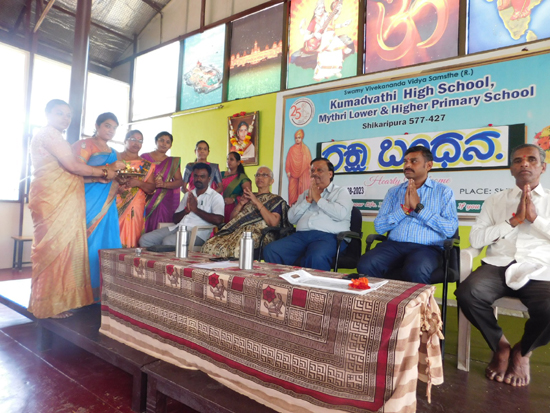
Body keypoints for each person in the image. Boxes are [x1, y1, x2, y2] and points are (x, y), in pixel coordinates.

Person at [456, 144, 550, 387]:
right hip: (498, 265)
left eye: (531, 159)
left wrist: (535, 219)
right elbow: (477, 239)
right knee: (467, 293)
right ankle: (500, 347)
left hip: (540, 269)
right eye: (518, 160)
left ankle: (522, 351)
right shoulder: (495, 200)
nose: (524, 163)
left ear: (543, 167)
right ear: (511, 169)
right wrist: (513, 221)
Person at [29, 100, 123, 318]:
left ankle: (55, 301)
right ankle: (49, 304)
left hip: (56, 196)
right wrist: (105, 172)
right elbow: (73, 167)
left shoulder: (52, 136)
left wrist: (101, 176)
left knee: (60, 249)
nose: (65, 118)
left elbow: (70, 170)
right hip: (53, 197)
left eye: (68, 115)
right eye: (59, 113)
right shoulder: (51, 135)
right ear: (47, 114)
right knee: (55, 248)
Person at [356, 146, 458, 283]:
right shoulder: (394, 192)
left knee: (416, 269)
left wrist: (419, 209)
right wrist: (404, 210)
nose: (407, 165)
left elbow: (450, 229)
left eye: (414, 161)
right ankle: (381, 297)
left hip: (428, 248)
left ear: (428, 165)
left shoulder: (443, 192)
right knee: (366, 263)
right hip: (394, 246)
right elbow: (379, 227)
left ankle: (415, 299)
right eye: (405, 162)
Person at [263, 157, 352, 271]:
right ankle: (284, 281)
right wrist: (308, 200)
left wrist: (318, 199)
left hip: (330, 237)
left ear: (330, 174)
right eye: (313, 170)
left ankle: (315, 284)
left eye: (319, 170)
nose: (315, 173)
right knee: (272, 250)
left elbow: (341, 214)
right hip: (301, 236)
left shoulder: (341, 192)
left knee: (316, 256)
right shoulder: (305, 194)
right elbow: (291, 218)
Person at [72, 112, 124, 302]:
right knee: (87, 242)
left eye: (114, 128)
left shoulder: (113, 151)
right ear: (97, 125)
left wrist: (120, 180)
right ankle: (80, 292)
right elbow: (73, 173)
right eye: (107, 126)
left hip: (108, 204)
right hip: (87, 199)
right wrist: (103, 174)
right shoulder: (84, 145)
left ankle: (104, 292)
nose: (111, 130)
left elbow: (113, 177)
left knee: (107, 242)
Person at [202, 166, 290, 258]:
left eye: (264, 175)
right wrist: (241, 203)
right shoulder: (249, 196)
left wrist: (256, 201)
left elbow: (273, 223)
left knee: (236, 249)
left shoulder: (275, 200)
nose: (260, 177)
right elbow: (232, 220)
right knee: (209, 245)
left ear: (271, 181)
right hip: (236, 232)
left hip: (259, 233)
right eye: (258, 175)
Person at [139, 163, 224, 247]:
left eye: (202, 176)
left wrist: (196, 210)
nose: (198, 179)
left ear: (209, 179)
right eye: (196, 176)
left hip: (198, 234)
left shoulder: (215, 197)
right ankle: (156, 256)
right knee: (145, 239)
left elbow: (218, 220)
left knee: (168, 241)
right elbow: (175, 219)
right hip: (179, 228)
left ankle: (167, 256)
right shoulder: (188, 195)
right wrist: (186, 211)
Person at [116, 130, 156, 248]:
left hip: (135, 205)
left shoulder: (146, 165)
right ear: (125, 141)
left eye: (140, 141)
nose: (136, 143)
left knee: (132, 236)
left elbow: (151, 188)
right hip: (113, 201)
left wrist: (138, 183)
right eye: (133, 139)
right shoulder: (115, 159)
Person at [142, 131, 184, 233]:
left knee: (161, 225)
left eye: (167, 142)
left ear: (170, 146)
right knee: (144, 223)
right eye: (161, 140)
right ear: (156, 141)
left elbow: (179, 182)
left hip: (164, 199)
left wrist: (164, 184)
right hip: (145, 195)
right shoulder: (144, 157)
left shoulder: (172, 162)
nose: (164, 144)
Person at [220, 151, 252, 222]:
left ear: (238, 162)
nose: (228, 161)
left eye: (231, 159)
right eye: (227, 159)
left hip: (232, 208)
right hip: (218, 206)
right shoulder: (221, 174)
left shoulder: (242, 178)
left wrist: (233, 199)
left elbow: (248, 196)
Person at [286, 129, 312, 206]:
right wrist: (288, 170)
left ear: (302, 138)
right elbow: (288, 161)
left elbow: (309, 162)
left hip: (303, 172)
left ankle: (303, 206)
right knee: (292, 191)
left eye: (299, 138)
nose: (297, 139)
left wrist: (310, 169)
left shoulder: (305, 149)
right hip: (293, 173)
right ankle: (292, 207)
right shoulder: (291, 149)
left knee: (303, 191)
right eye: (296, 138)